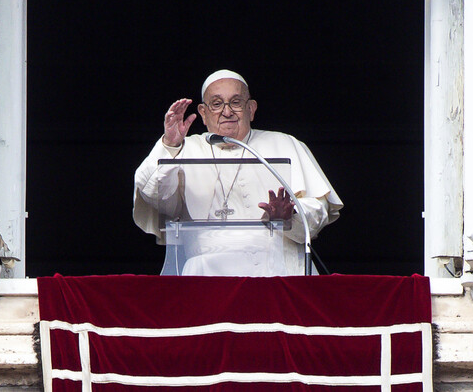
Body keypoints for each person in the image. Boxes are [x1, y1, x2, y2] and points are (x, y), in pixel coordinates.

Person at [133, 69, 343, 276]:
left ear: (251, 109)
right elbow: (156, 197)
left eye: (235, 102)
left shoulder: (285, 143)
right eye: (216, 104)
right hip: (205, 277)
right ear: (203, 113)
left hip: (277, 271)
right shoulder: (183, 149)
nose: (227, 112)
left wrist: (291, 214)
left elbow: (318, 209)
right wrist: (169, 145)